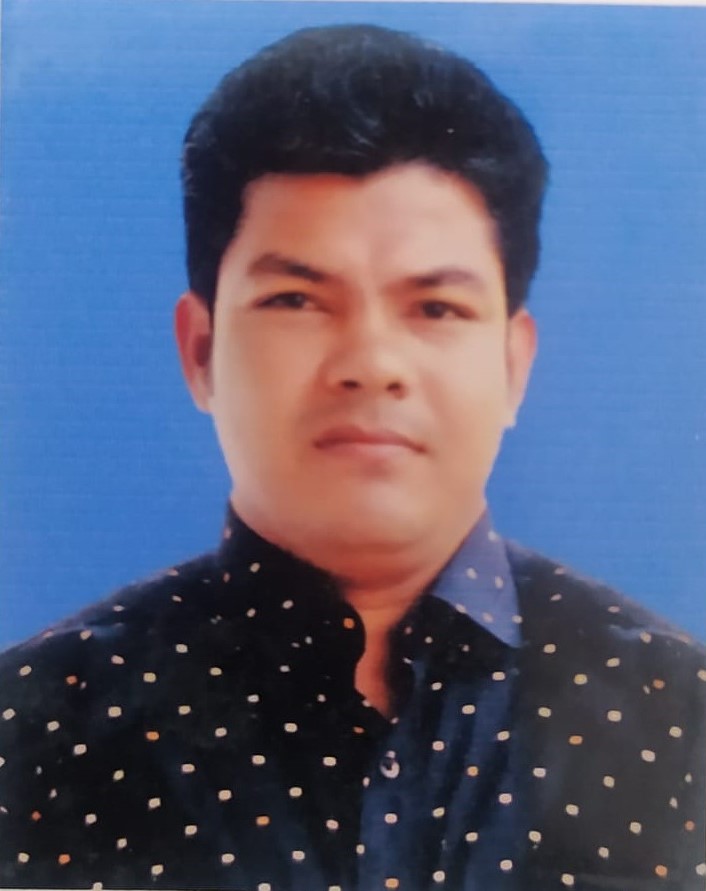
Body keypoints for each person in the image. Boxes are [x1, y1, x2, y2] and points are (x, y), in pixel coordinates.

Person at [0, 23, 704, 891]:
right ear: (201, 352)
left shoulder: (683, 717)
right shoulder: (29, 731)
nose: (371, 363)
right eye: (296, 299)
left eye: (436, 309)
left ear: (514, 366)